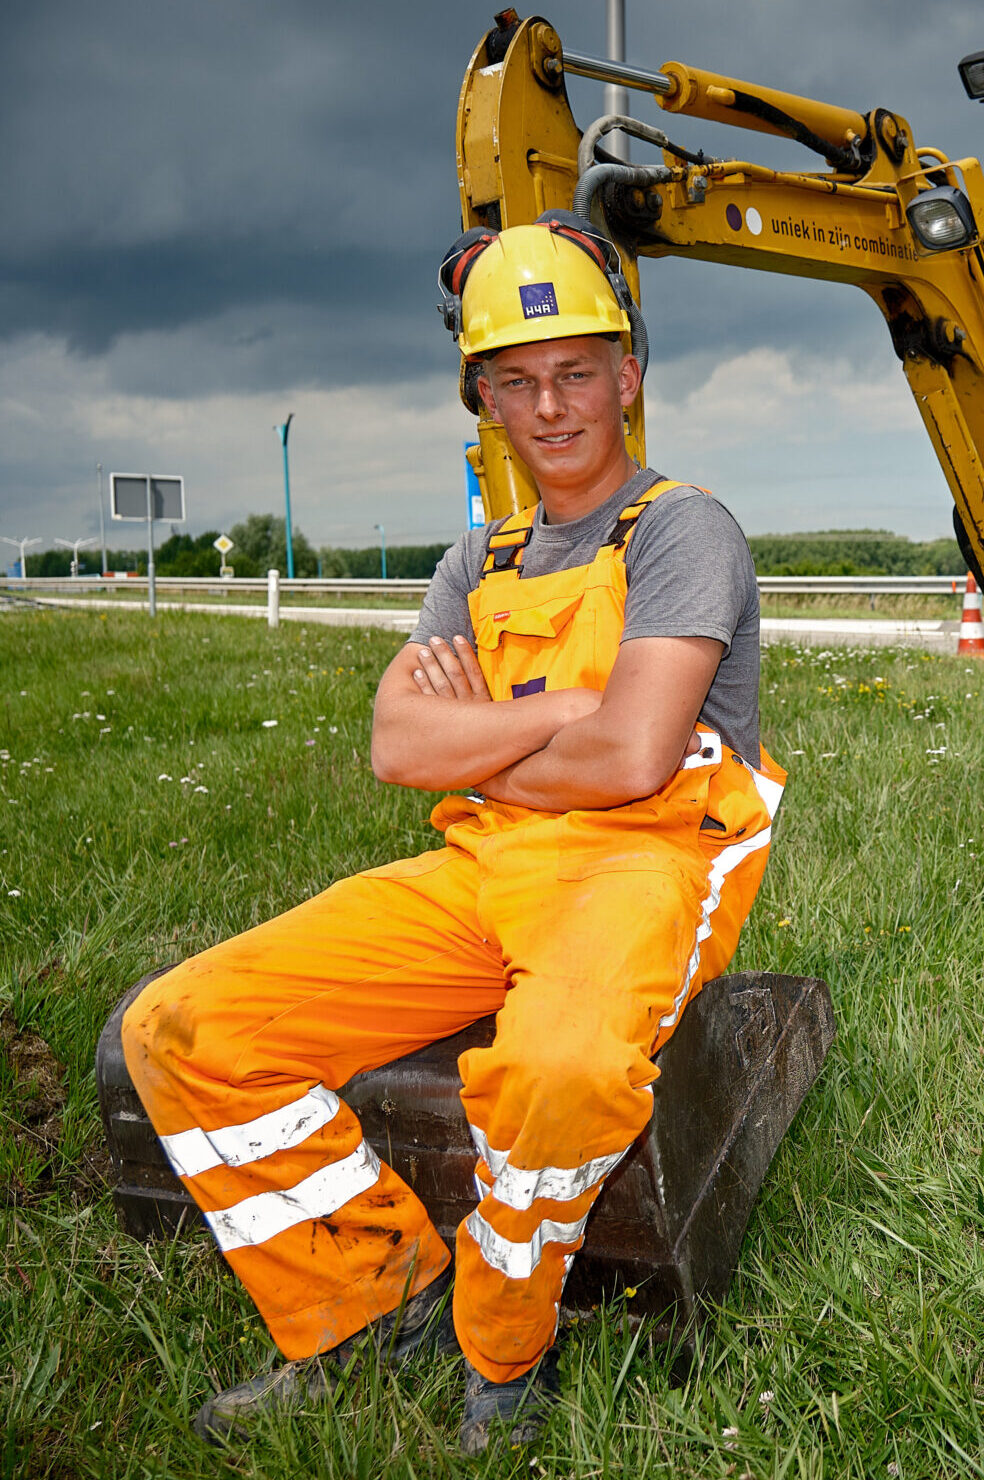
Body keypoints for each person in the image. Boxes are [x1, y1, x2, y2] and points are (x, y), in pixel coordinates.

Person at [120, 213, 783, 1453]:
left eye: (577, 371)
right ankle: (373, 1301)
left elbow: (640, 758)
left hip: (643, 865)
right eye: (517, 381)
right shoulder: (475, 556)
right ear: (483, 394)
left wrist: (500, 731)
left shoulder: (686, 531)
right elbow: (395, 748)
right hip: (481, 867)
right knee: (187, 1029)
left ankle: (500, 1350)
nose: (552, 406)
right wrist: (575, 713)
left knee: (562, 1069)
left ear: (627, 377)